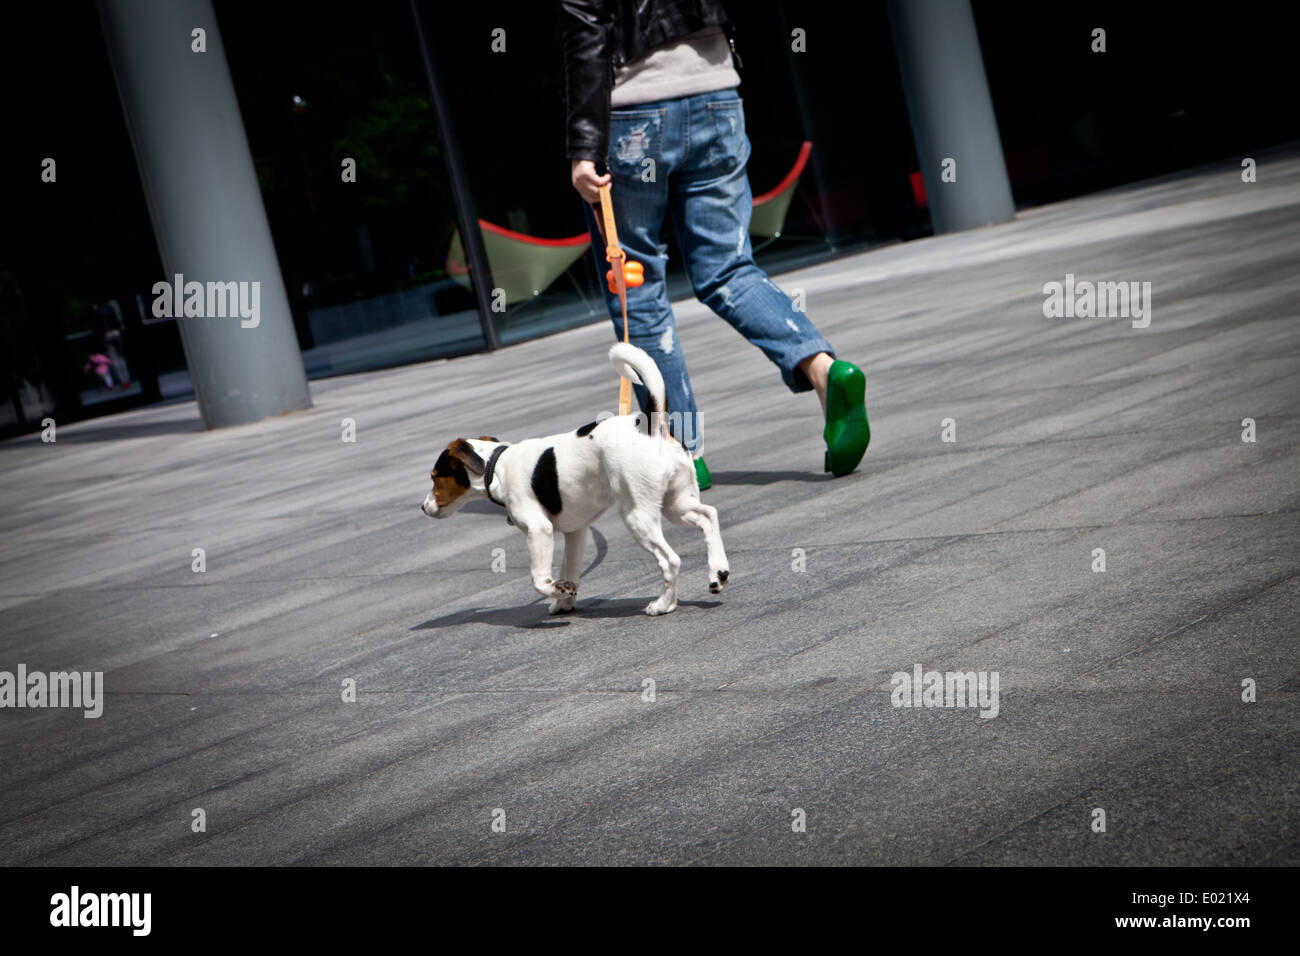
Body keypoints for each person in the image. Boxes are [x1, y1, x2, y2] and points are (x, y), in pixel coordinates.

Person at [560, 0, 870, 488]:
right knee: (728, 267)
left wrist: (583, 146)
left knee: (635, 283)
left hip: (635, 107)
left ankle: (682, 450)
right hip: (716, 91)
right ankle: (824, 371)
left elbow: (586, 26)